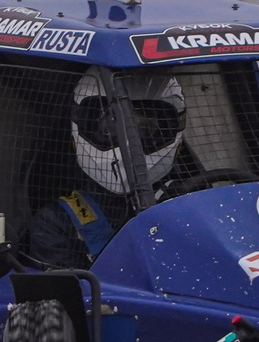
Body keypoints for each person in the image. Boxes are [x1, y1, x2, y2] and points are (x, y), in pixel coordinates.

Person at [27, 68, 187, 270]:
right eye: (111, 126)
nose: (130, 143)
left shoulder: (189, 201)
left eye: (144, 128)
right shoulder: (57, 221)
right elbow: (68, 296)